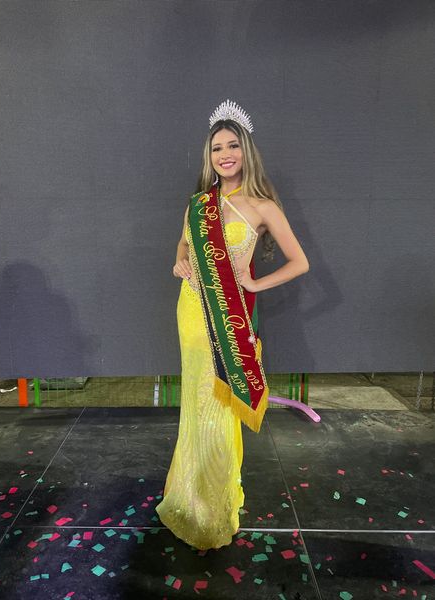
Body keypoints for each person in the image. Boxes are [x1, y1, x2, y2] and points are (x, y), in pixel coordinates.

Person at [155, 100, 309, 551]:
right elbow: (182, 249)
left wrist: (255, 280)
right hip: (191, 313)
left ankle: (214, 508)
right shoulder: (199, 204)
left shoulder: (262, 206)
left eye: (233, 146)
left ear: (246, 152)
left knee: (220, 405)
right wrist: (180, 263)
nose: (225, 155)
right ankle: (188, 497)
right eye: (217, 148)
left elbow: (299, 262)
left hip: (229, 317)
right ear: (210, 156)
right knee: (196, 404)